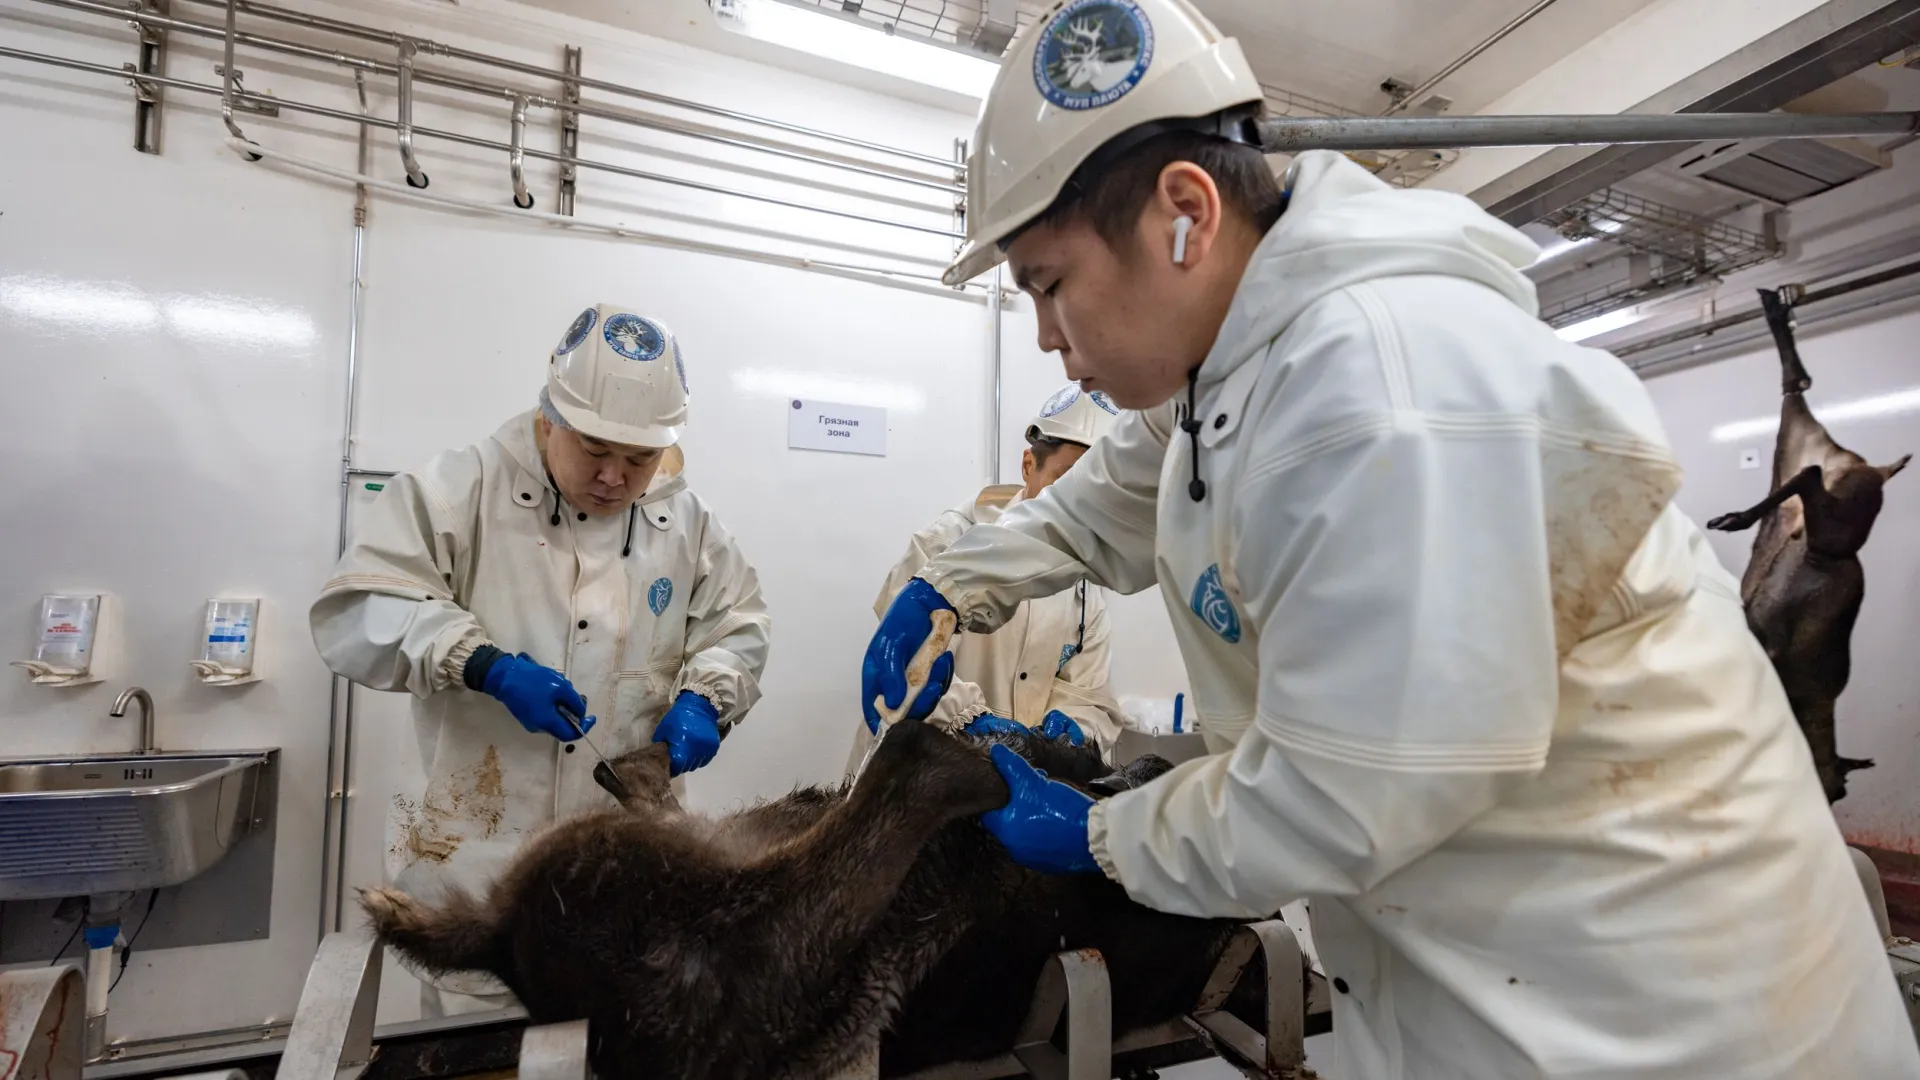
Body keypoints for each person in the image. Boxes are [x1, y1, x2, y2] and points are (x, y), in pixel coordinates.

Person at [859, 1, 1919, 1075]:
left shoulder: (1385, 388)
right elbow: (1121, 493)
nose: (1045, 334)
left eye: (1047, 284)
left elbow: (1338, 798)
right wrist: (955, 577)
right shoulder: (1232, 375)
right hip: (1494, 979)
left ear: (1185, 213)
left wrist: (1099, 837)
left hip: (1664, 1016)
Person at [312, 304, 770, 1016]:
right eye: (595, 449)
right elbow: (358, 609)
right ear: (549, 414)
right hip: (480, 874)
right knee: (480, 1049)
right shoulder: (456, 493)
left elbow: (737, 628)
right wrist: (482, 664)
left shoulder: (689, 524)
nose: (616, 477)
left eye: (639, 458)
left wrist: (708, 697)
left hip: (632, 879)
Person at [849, 384, 1124, 775]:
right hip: (919, 769)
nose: (1077, 504)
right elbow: (909, 665)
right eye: (1066, 479)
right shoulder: (950, 542)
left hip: (1016, 784)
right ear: (1029, 465)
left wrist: (1074, 728)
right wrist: (968, 719)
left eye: (1095, 491)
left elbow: (1091, 695)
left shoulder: (1084, 587)